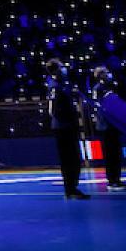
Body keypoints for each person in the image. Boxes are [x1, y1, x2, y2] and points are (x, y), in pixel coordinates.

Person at [45, 59, 89, 200]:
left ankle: (72, 187)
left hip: (68, 126)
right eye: (61, 67)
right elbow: (52, 109)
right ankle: (70, 189)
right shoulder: (55, 86)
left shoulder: (63, 85)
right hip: (63, 128)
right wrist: (66, 119)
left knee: (74, 158)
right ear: (56, 70)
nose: (64, 69)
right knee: (68, 159)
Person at [88, 67, 126, 190]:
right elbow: (96, 105)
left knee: (116, 153)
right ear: (100, 75)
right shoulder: (97, 89)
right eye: (105, 73)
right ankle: (111, 181)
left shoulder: (111, 86)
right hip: (105, 125)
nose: (108, 74)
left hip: (114, 124)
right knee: (110, 154)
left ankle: (117, 179)